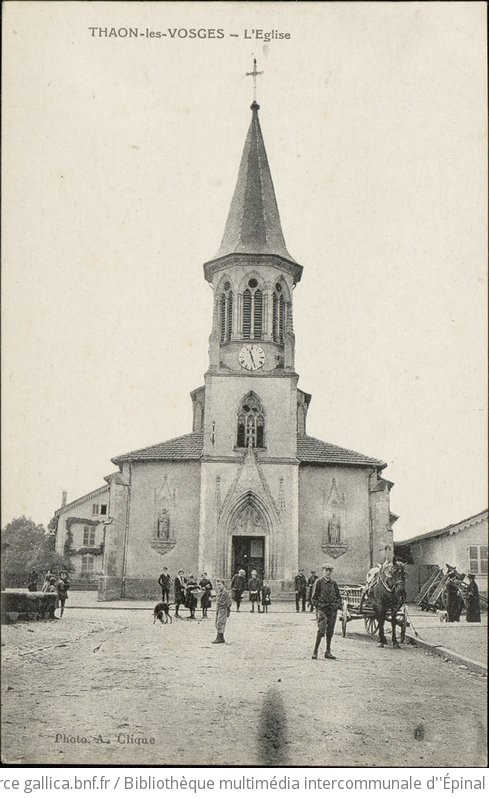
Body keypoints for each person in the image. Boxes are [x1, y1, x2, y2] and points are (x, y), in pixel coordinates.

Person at [311, 563, 342, 660]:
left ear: (332, 572)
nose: (328, 572)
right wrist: (320, 606)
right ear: (323, 571)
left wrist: (336, 606)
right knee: (321, 630)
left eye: (330, 571)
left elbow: (339, 597)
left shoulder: (334, 583)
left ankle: (328, 651)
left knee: (330, 631)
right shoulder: (318, 582)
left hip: (332, 610)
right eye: (326, 570)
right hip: (322, 610)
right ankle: (315, 651)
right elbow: (314, 598)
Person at [212, 578, 232, 643]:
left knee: (220, 623)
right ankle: (221, 638)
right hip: (219, 608)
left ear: (223, 585)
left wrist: (227, 609)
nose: (218, 586)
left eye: (220, 585)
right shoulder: (219, 592)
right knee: (218, 622)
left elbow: (229, 602)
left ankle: (218, 638)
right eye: (217, 585)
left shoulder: (225, 592)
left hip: (223, 609)